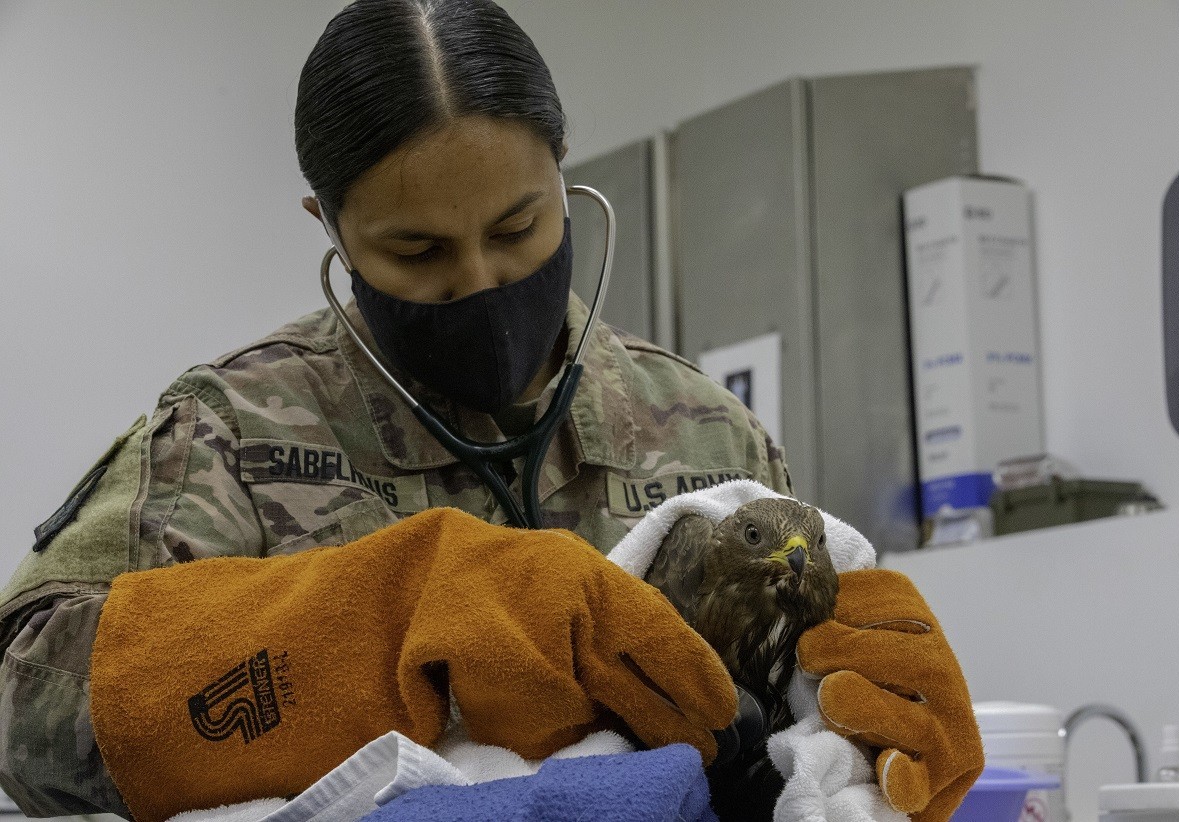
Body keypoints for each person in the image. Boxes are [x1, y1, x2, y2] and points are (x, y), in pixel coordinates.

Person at [0, 1, 981, 820]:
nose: (480, 278)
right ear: (331, 226)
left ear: (562, 165)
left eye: (518, 226)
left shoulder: (706, 430)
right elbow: (22, 702)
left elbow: (807, 725)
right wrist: (382, 624)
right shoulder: (236, 432)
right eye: (416, 251)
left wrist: (862, 728)